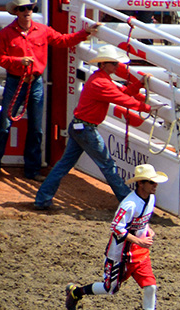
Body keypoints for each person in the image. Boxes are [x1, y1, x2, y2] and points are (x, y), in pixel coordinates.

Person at [0, 0, 98, 181]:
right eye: (22, 9)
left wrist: (85, 33)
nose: (27, 11)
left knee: (36, 128)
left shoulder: (43, 30)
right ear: (16, 12)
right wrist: (17, 61)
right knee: (4, 125)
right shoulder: (6, 33)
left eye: (29, 8)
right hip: (16, 82)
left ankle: (32, 170)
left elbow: (63, 41)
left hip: (34, 82)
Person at [34, 44, 154, 210]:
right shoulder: (102, 83)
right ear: (103, 64)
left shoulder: (100, 79)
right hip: (86, 129)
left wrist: (139, 85)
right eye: (114, 63)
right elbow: (123, 98)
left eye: (116, 63)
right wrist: (147, 107)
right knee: (107, 166)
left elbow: (122, 94)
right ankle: (130, 203)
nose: (117, 66)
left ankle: (42, 199)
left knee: (65, 165)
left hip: (80, 127)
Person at [64, 163, 171, 310]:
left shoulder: (150, 198)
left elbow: (141, 221)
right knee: (109, 288)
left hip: (139, 253)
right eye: (151, 182)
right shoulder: (129, 203)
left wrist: (147, 230)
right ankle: (77, 292)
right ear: (141, 184)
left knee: (150, 287)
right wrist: (139, 240)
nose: (155, 185)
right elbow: (116, 227)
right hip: (119, 255)